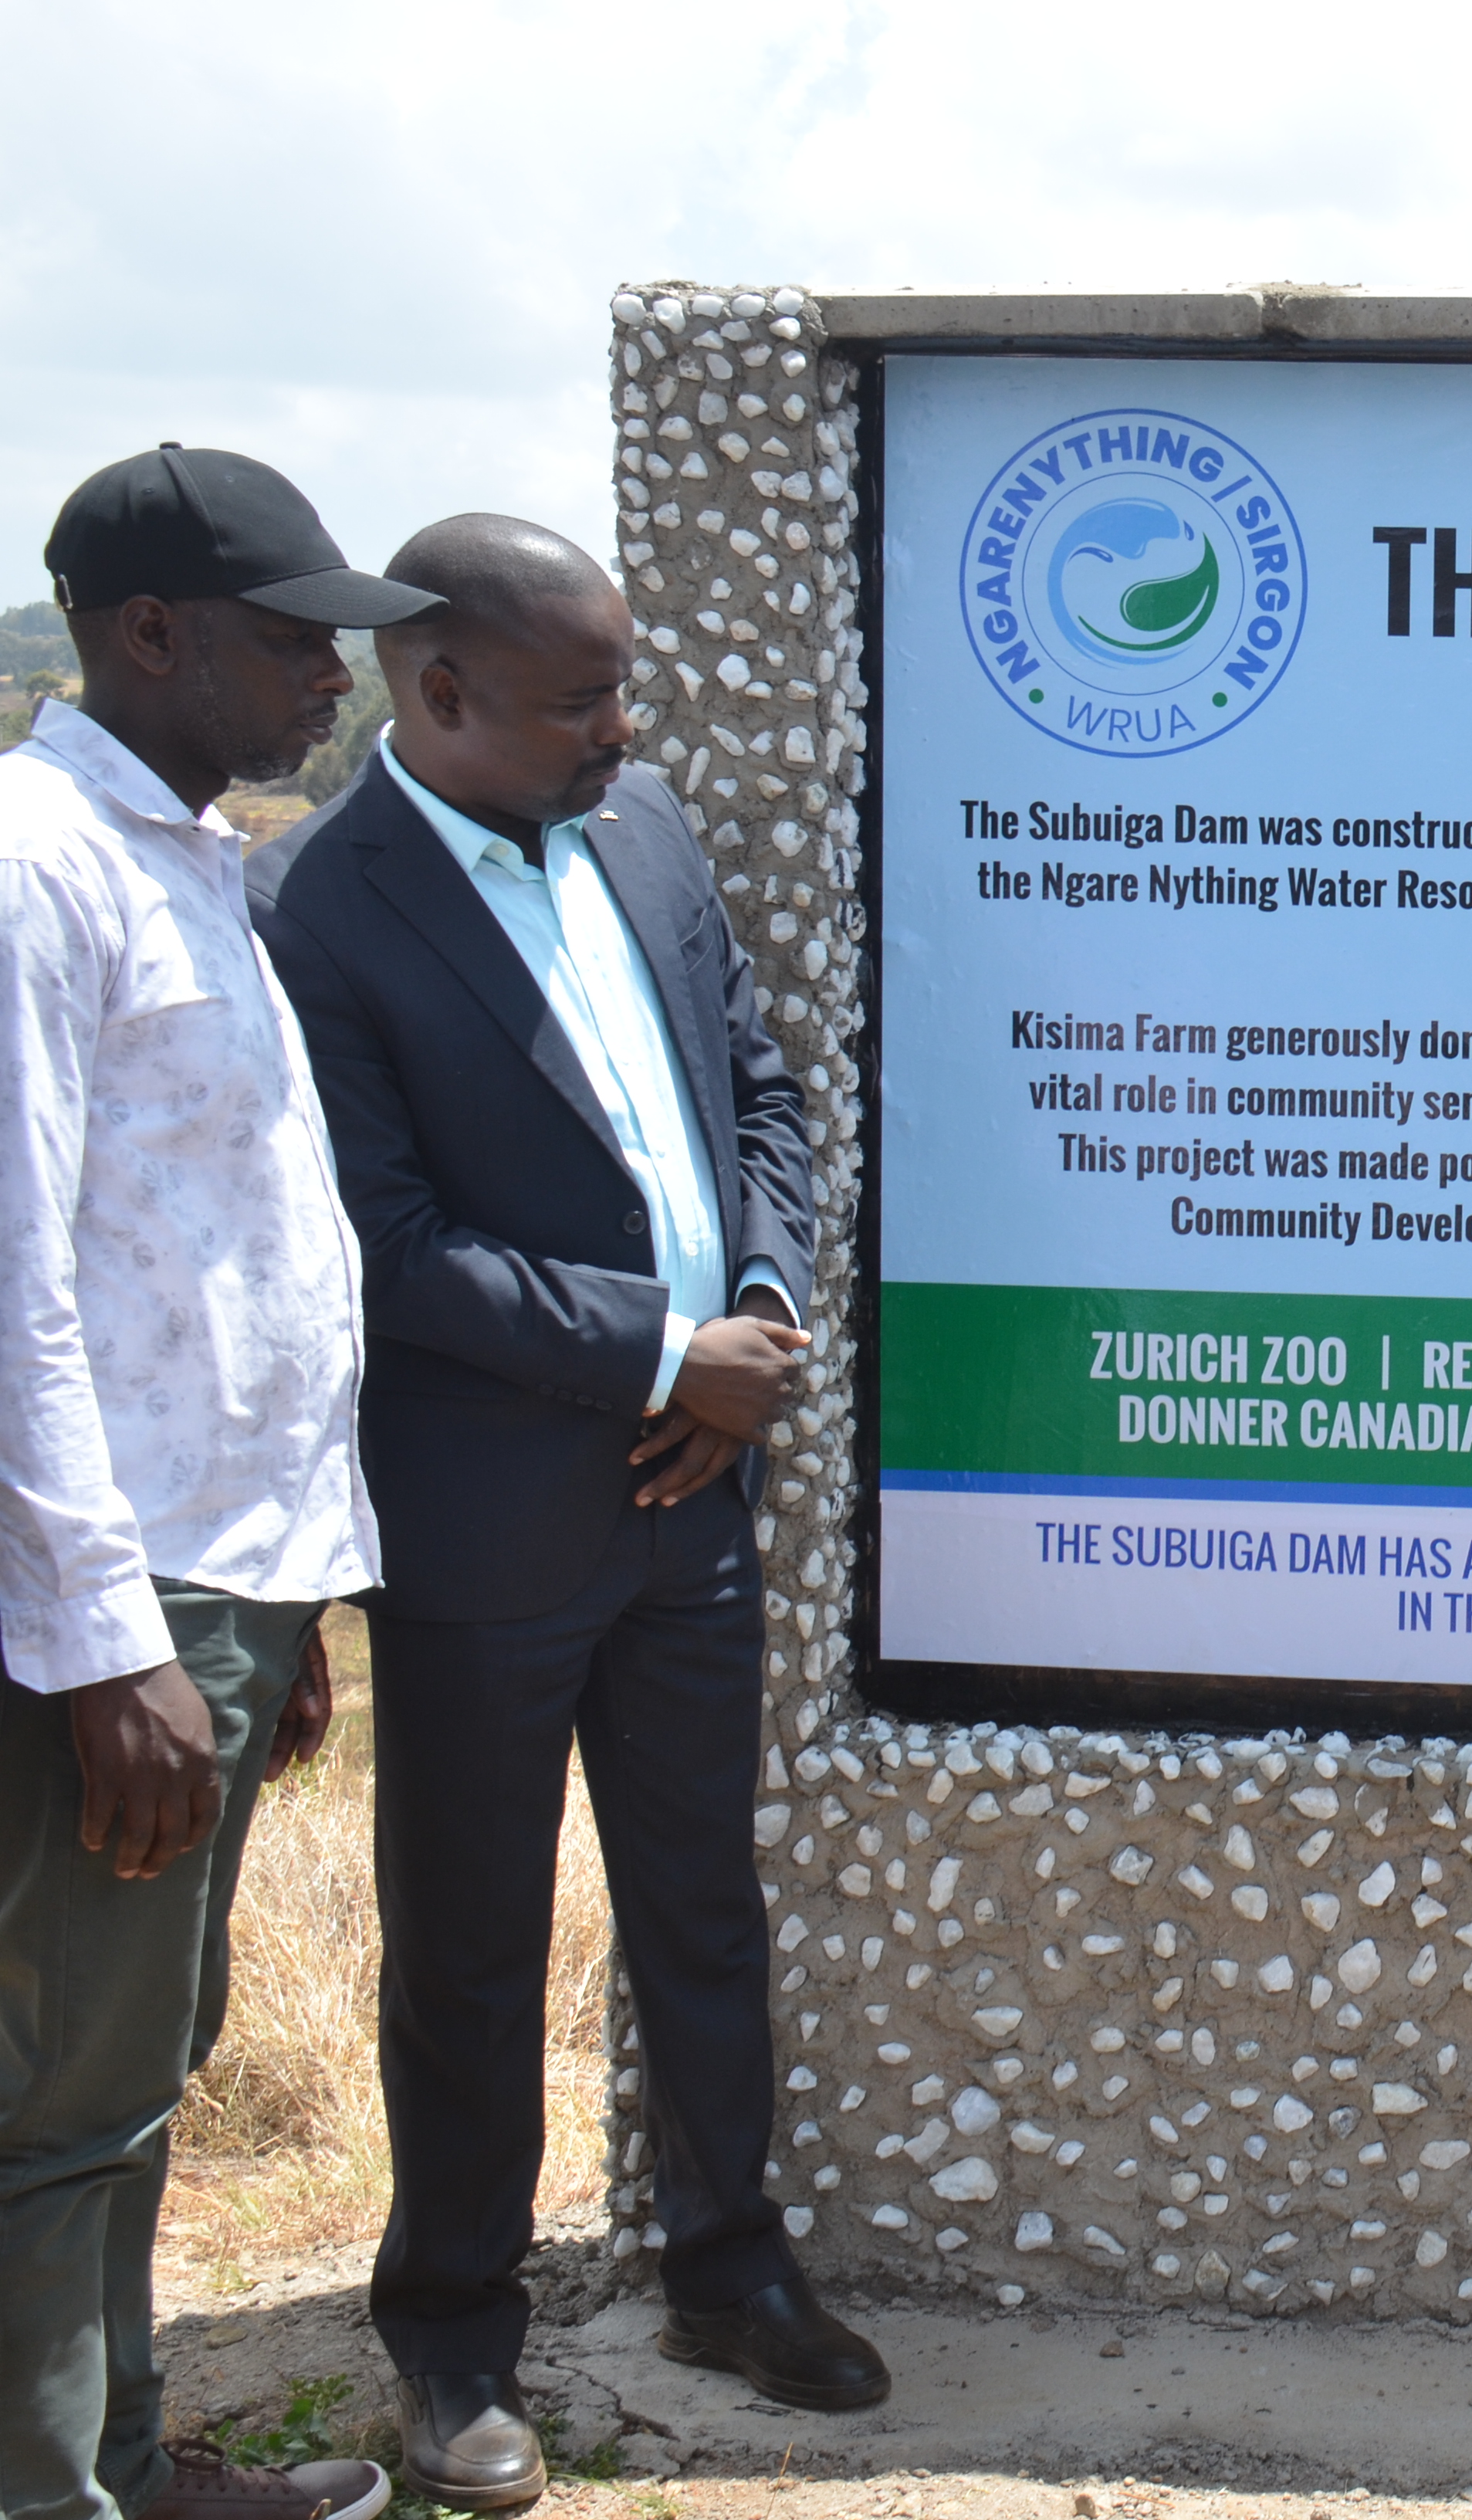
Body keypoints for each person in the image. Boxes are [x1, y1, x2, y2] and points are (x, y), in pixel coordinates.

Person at [247, 514, 882, 2504]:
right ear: (435, 694)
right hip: (488, 1525)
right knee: (468, 1947)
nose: (626, 725)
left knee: (699, 1903)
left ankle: (724, 2267)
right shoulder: (322, 911)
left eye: (626, 685)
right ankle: (452, 2340)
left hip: (695, 1496)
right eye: (582, 695)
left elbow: (759, 1092)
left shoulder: (652, 828)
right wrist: (648, 1352)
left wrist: (758, 1317)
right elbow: (385, 1244)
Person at [2, 447, 429, 2520]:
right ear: (145, 631)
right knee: (55, 2091)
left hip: (221, 1583)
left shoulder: (191, 856)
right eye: (292, 642)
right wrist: (109, 1650)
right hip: (114, 1606)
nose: (334, 683)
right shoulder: (33, 867)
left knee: (138, 2067)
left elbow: (237, 1261)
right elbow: (18, 1295)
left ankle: (133, 2459)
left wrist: (303, 1600)